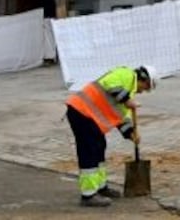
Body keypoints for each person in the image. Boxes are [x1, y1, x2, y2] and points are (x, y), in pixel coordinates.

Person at [64, 65, 158, 207]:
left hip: (89, 117)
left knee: (99, 147)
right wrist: (127, 100)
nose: (143, 91)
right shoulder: (126, 74)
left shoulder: (129, 90)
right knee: (89, 151)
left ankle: (101, 187)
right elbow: (110, 83)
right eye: (146, 88)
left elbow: (122, 117)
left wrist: (130, 133)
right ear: (144, 79)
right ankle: (88, 195)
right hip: (81, 112)